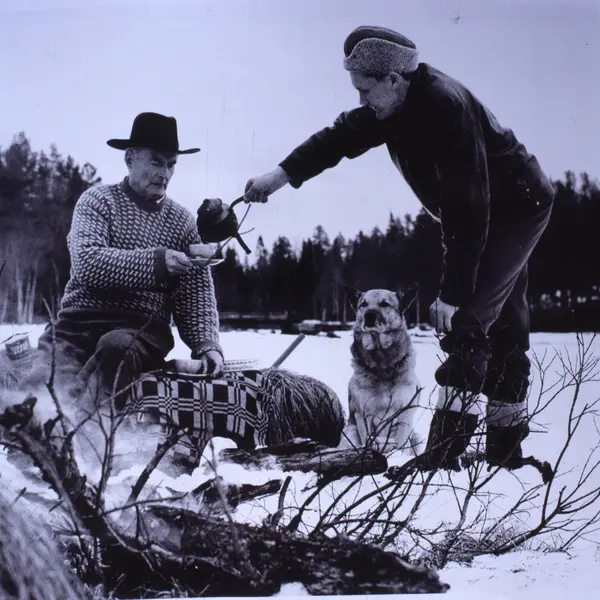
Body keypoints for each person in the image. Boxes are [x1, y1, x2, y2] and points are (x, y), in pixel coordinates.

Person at [242, 26, 556, 471]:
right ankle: (505, 453)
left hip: (515, 209)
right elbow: (337, 138)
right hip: (485, 213)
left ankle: (444, 455)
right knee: (504, 324)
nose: (361, 100)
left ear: (392, 78)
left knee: (468, 321)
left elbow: (468, 211)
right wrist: (279, 176)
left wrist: (451, 294)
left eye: (365, 90)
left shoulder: (445, 107)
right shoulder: (391, 105)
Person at [21, 112, 224, 413]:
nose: (165, 173)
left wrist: (207, 345)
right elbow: (87, 262)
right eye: (156, 162)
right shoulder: (97, 201)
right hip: (76, 326)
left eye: (171, 164)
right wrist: (158, 262)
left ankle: (88, 434)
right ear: (130, 159)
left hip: (140, 332)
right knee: (42, 385)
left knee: (115, 348)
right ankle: (37, 431)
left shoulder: (182, 223)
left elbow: (196, 296)